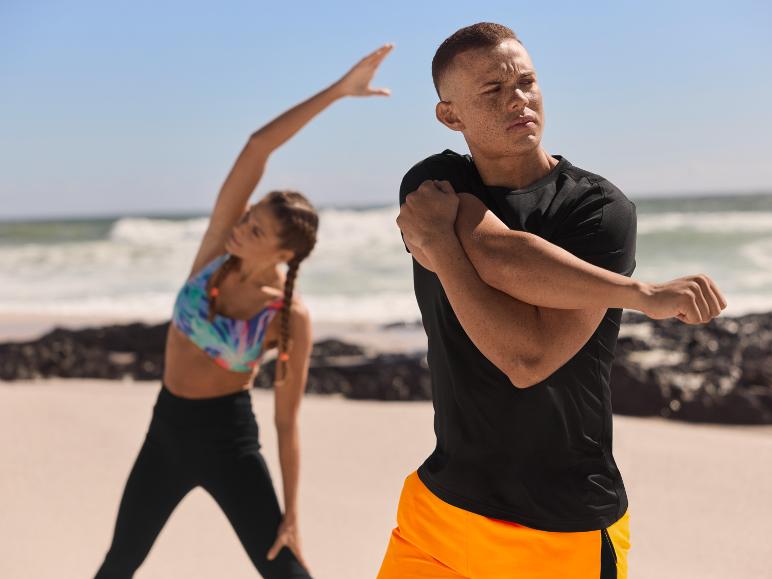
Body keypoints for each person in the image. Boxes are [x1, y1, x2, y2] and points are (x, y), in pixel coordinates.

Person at [379, 23, 726, 579]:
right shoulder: (434, 181)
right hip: (440, 515)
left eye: (526, 81)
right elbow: (495, 251)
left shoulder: (599, 210)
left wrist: (443, 249)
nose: (518, 98)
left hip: (561, 528)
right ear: (451, 116)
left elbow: (528, 359)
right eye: (492, 91)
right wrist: (640, 294)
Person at [94, 44, 394, 579]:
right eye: (248, 215)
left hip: (228, 441)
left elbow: (286, 420)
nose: (240, 226)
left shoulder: (288, 316)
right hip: (165, 430)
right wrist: (338, 92)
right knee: (119, 563)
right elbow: (258, 147)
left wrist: (294, 514)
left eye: (254, 228)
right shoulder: (215, 253)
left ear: (283, 254)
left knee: (285, 569)